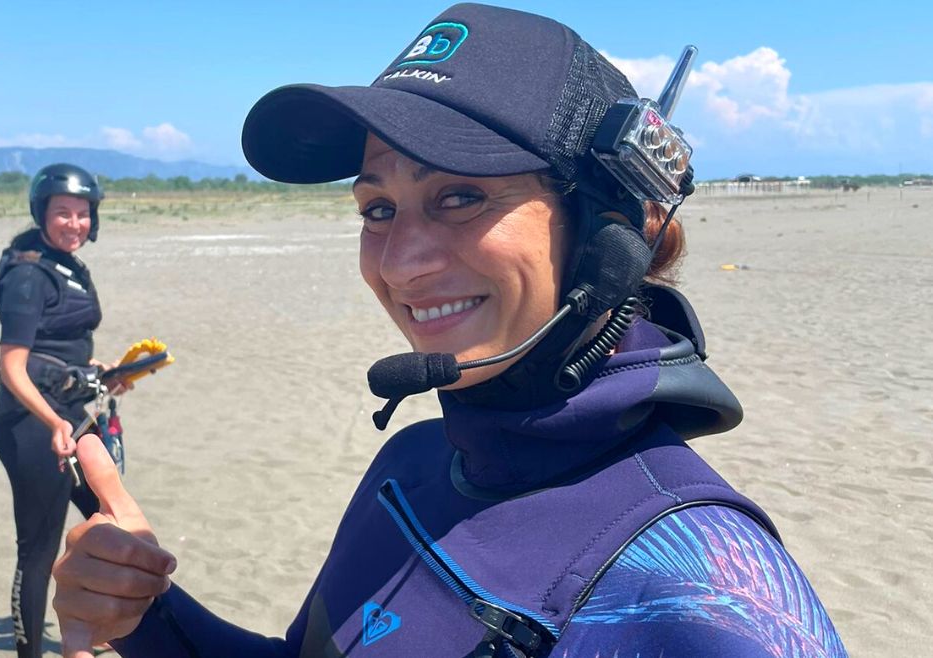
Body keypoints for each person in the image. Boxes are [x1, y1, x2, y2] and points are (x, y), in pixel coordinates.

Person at [50, 5, 848, 657]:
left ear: (610, 229)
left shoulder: (705, 590)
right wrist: (145, 612)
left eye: (461, 196)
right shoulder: (413, 463)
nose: (400, 264)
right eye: (377, 209)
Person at [0, 163, 128, 658]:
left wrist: (102, 371)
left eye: (83, 214)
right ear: (42, 214)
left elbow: (62, 345)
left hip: (73, 412)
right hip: (32, 426)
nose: (74, 223)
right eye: (62, 213)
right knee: (39, 548)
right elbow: (13, 366)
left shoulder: (65, 265)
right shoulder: (27, 275)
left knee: (107, 524)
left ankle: (94, 629)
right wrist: (52, 423)